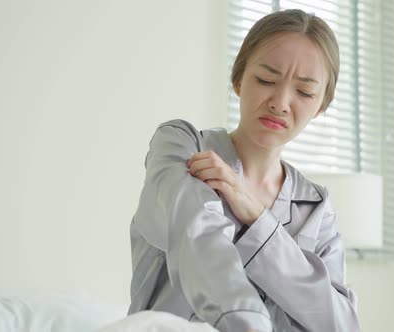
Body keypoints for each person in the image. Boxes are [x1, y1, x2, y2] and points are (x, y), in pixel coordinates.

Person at [127, 9, 361, 332]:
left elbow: (342, 324)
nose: (280, 102)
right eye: (266, 80)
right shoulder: (182, 146)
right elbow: (197, 235)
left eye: (304, 92)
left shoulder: (316, 206)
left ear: (320, 106)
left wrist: (258, 220)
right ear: (239, 80)